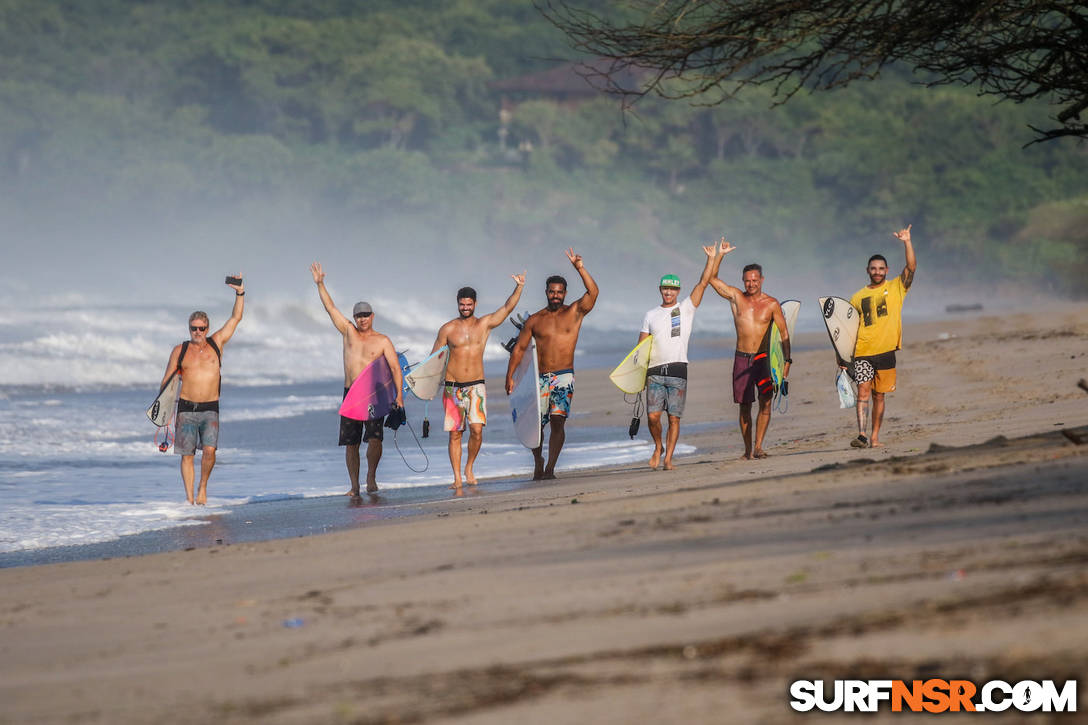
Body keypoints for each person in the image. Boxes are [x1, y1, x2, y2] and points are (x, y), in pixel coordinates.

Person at [310, 262, 404, 496]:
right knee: (351, 443)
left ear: (372, 316)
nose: (362, 319)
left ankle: (371, 477)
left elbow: (394, 367)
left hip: (374, 394)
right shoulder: (348, 332)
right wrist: (320, 284)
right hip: (352, 394)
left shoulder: (383, 340)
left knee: (374, 439)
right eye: (358, 316)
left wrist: (399, 395)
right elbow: (330, 308)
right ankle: (354, 485)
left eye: (365, 315)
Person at [505, 249, 598, 479]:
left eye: (559, 292)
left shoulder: (575, 312)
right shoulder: (535, 320)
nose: (555, 296)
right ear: (546, 292)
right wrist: (510, 376)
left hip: (564, 376)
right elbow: (519, 349)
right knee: (536, 425)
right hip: (540, 378)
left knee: (558, 421)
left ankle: (550, 468)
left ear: (565, 293)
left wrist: (579, 268)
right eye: (552, 292)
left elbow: (593, 292)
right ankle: (538, 461)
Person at [430, 273, 526, 489]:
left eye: (469, 304)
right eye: (462, 304)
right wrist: (426, 384)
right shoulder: (447, 329)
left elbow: (506, 309)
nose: (465, 308)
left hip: (476, 386)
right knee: (455, 434)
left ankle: (469, 467)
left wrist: (519, 287)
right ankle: (456, 477)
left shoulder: (484, 324)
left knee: (476, 430)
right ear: (457, 304)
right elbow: (434, 358)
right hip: (452, 387)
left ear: (475, 304)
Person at [159, 275, 245, 504]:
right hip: (186, 409)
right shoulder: (180, 350)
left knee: (209, 451)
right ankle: (189, 499)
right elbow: (167, 381)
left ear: (207, 329)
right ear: (189, 328)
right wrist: (163, 411)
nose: (197, 332)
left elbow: (236, 318)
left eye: (201, 328)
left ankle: (203, 487)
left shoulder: (216, 344)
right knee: (187, 456)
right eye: (193, 328)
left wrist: (239, 293)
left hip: (210, 409)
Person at [706, 239, 791, 459]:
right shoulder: (736, 297)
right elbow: (712, 279)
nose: (750, 284)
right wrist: (720, 255)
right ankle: (747, 449)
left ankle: (759, 446)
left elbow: (783, 334)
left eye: (754, 280)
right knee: (744, 406)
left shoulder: (772, 304)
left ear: (761, 280)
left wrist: (787, 361)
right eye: (747, 281)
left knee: (765, 402)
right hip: (742, 358)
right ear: (743, 281)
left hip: (764, 359)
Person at [636, 248, 717, 470]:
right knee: (653, 417)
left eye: (672, 289)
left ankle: (668, 458)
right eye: (665, 288)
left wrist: (710, 259)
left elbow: (702, 283)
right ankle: (658, 446)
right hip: (654, 371)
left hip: (678, 370)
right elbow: (641, 347)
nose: (668, 292)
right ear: (660, 290)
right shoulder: (650, 314)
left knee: (674, 418)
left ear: (678, 291)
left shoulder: (686, 309)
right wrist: (637, 375)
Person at [848, 224, 917, 448]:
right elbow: (847, 329)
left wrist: (907, 241)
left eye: (880, 268)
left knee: (879, 396)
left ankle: (875, 436)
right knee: (863, 391)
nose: (877, 272)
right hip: (862, 351)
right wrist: (842, 358)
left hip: (886, 350)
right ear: (867, 270)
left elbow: (911, 267)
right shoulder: (857, 297)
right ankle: (861, 434)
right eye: (873, 268)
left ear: (887, 270)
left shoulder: (897, 287)